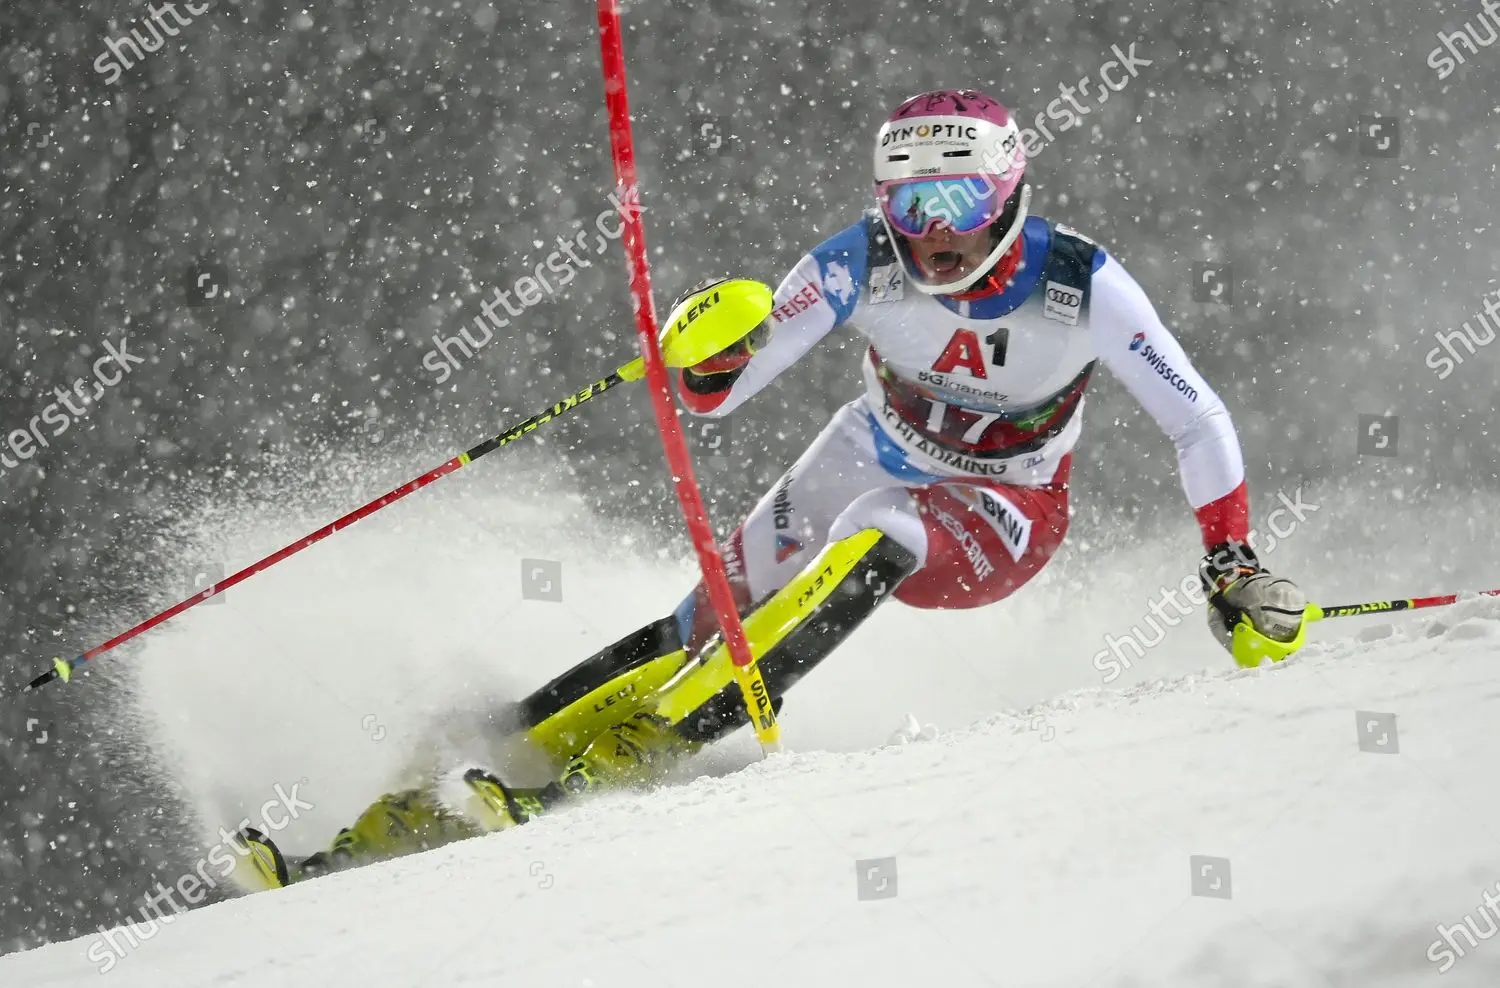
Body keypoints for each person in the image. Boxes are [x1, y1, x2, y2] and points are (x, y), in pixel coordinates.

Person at [238, 88, 1309, 888]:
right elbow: (723, 392)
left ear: (1009, 192)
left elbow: (1197, 417)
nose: (934, 230)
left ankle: (648, 748)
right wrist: (705, 353)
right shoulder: (860, 261)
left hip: (1008, 507)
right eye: (909, 202)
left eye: (958, 199)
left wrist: (1230, 560)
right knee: (706, 613)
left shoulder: (1083, 284)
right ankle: (421, 804)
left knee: (884, 526)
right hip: (877, 445)